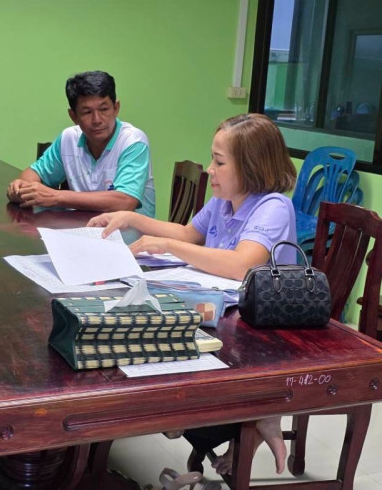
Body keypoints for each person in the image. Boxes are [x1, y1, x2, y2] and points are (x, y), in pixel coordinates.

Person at [88, 113, 298, 475]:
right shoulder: (224, 200)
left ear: (250, 166)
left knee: (171, 365)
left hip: (261, 332)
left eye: (219, 162)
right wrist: (131, 218)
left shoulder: (273, 206)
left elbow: (241, 265)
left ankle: (252, 419)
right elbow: (188, 234)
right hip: (223, 315)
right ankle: (204, 419)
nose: (210, 170)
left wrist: (167, 245)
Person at [7, 70, 156, 216]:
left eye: (104, 109)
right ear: (73, 116)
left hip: (128, 232)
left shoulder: (133, 141)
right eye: (87, 112)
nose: (97, 120)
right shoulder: (69, 138)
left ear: (116, 108)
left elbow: (125, 202)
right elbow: (33, 175)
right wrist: (20, 188)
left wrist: (56, 197)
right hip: (81, 228)